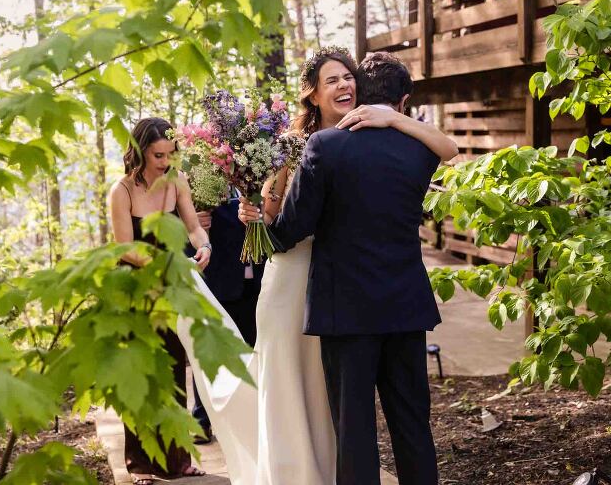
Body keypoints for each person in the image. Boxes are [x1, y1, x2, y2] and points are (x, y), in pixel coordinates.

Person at [178, 46, 456, 485]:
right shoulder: (420, 150)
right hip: (405, 306)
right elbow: (448, 147)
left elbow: (292, 229)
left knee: (354, 430)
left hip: (345, 308)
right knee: (412, 426)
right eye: (334, 80)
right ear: (404, 102)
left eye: (349, 79)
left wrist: (268, 230)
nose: (344, 87)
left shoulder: (326, 146)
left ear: (363, 92)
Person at [108, 117, 211, 485]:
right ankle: (141, 465)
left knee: (173, 370)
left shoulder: (178, 181)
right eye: (157, 155)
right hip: (136, 289)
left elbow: (194, 227)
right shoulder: (121, 191)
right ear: (140, 152)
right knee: (140, 374)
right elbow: (126, 248)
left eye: (170, 154)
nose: (165, 162)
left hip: (173, 286)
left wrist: (204, 246)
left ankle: (178, 459)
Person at [190, 194, 264, 444]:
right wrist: (196, 224)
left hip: (260, 282)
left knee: (257, 353)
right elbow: (191, 233)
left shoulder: (263, 173)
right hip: (222, 281)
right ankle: (201, 421)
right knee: (211, 352)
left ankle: (255, 416)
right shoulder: (201, 182)